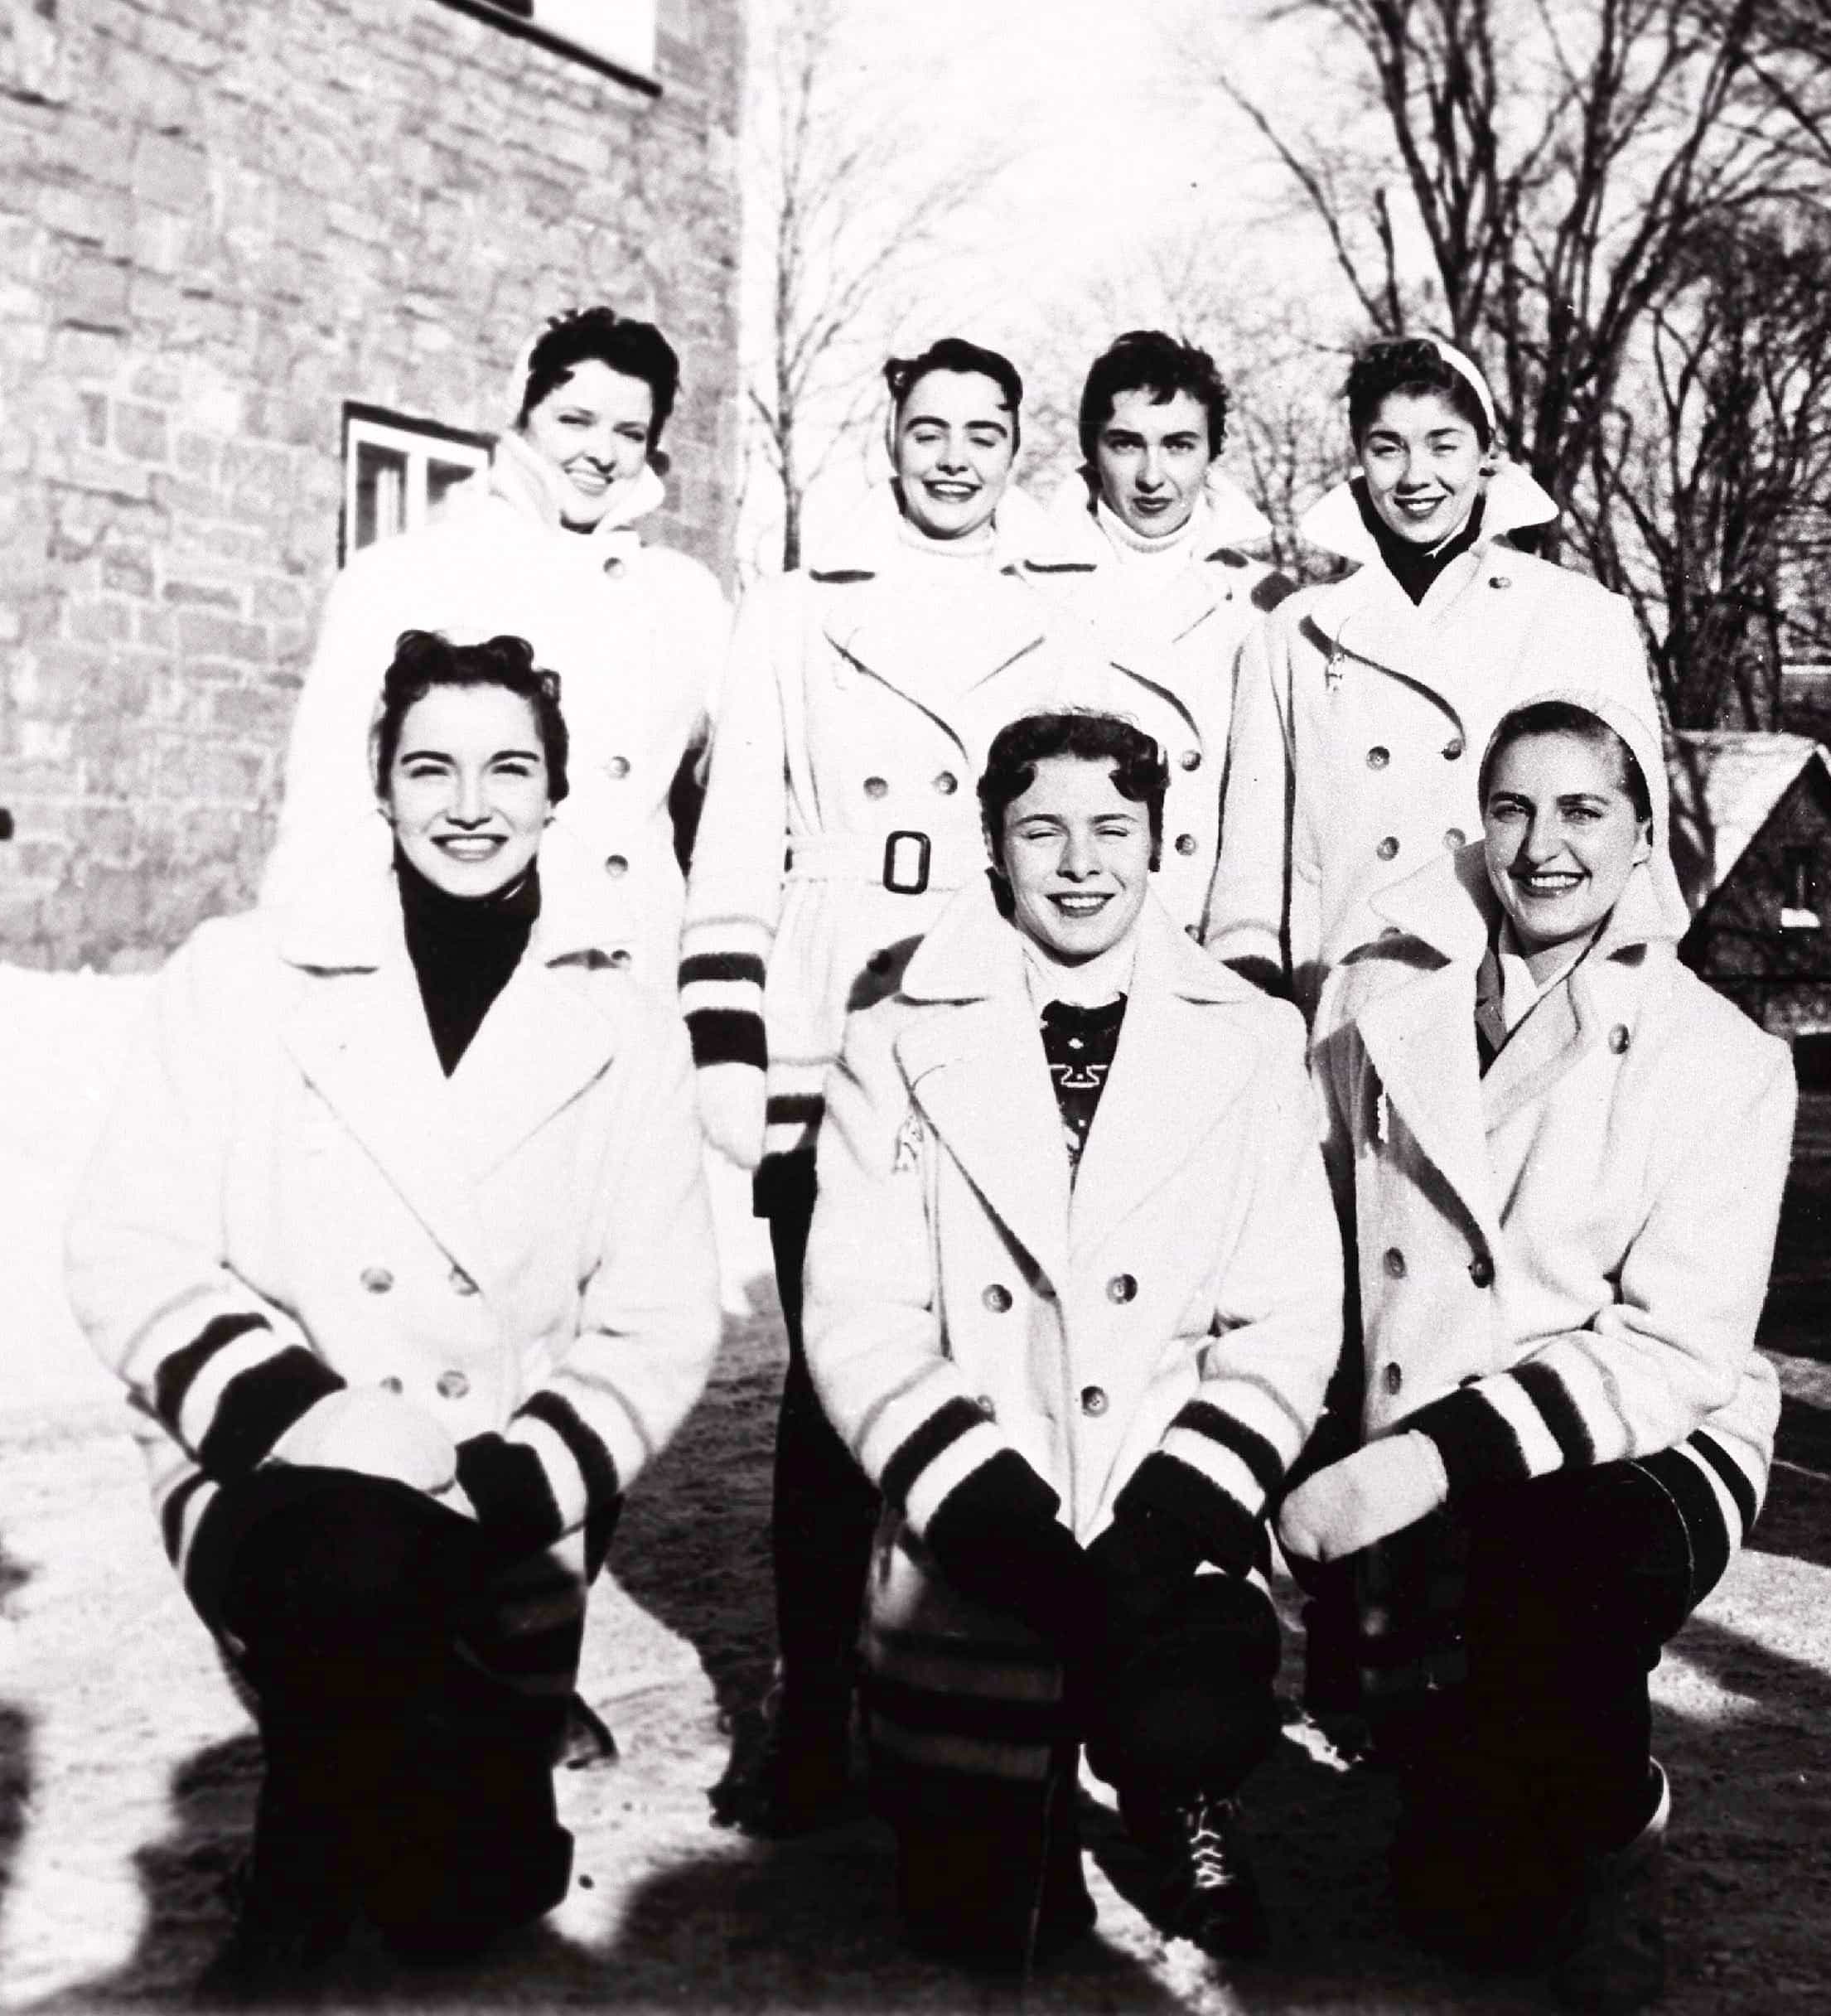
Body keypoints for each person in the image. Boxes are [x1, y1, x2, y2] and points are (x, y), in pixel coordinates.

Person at [67, 631, 722, 1994]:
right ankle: (295, 1887)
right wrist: (318, 1420)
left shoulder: (624, 1019)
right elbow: (129, 1243)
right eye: (430, 766)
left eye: (506, 769)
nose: (467, 804)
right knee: (351, 1560)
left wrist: (493, 1477)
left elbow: (658, 1318)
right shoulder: (241, 976)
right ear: (379, 784)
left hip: (504, 1488)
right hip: (268, 1463)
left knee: (457, 1907)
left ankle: (465, 1793)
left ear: (557, 795)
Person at [1279, 692, 1794, 2011]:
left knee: (1553, 1580)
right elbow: (1310, 1234)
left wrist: (1421, 1466)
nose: (1542, 846)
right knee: (1467, 1908)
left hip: (1645, 1437)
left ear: (1642, 838)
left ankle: (1622, 1839)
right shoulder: (1380, 1007)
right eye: (1510, 809)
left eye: (1582, 811)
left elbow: (1675, 1343)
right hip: (1413, 1433)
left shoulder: (1718, 1058)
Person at [802, 708, 1343, 1964]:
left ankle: (1186, 1789)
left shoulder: (1251, 1037)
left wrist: (1170, 1519)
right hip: (980, 1512)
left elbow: (1289, 1310)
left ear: (1164, 843)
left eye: (1114, 828)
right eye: (1042, 830)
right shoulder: (895, 1033)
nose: (1081, 863)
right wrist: (985, 1507)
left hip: (1165, 1506)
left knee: (1188, 1708)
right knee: (978, 1925)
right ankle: (1009, 1804)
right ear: (992, 848)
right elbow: (859, 1313)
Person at [681, 337, 1109, 1836]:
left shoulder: (1058, 623)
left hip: (983, 1017)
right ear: (891, 439)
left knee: (988, 1367)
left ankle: (968, 1689)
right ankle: (807, 1697)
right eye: (930, 429)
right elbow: (734, 830)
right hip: (828, 1020)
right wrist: (727, 1031)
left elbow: (1077, 832)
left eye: (985, 432)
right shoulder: (801, 607)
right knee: (829, 1382)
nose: (954, 456)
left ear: (1016, 449)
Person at [1203, 335, 1686, 1016]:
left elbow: (1639, 844)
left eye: (1443, 443)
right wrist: (1248, 1005)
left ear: (1487, 454)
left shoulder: (1580, 615)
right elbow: (1252, 866)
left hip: (1520, 1000)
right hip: (1346, 995)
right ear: (1360, 457)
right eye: (1388, 446)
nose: (1414, 475)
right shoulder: (1294, 631)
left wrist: (1633, 1006)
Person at [262, 307, 730, 991]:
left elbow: (737, 786)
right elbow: (331, 797)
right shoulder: (410, 572)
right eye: (575, 421)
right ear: (523, 416)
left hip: (640, 965)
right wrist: (306, 969)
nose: (601, 453)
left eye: (629, 433)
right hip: (472, 959)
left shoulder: (685, 598)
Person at [1041, 330, 1293, 935]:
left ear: (1211, 453)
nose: (1153, 475)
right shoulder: (1031, 587)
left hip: (1210, 933)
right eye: (1127, 444)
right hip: (1068, 925)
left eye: (1178, 445)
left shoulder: (1269, 603)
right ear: (1091, 450)